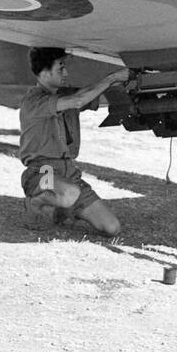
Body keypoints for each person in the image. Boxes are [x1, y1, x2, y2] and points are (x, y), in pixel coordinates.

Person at [19, 47, 129, 236]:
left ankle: (64, 209)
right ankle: (36, 202)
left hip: (69, 173)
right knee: (70, 193)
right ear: (44, 73)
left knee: (112, 228)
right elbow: (78, 100)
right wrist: (111, 78)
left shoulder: (65, 95)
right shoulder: (34, 101)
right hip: (41, 172)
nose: (66, 73)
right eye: (61, 68)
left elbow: (90, 95)